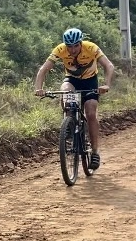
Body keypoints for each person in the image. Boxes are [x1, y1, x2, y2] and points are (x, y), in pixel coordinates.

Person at [32, 28, 116, 170]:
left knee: (90, 113)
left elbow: (109, 65)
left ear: (80, 43)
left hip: (90, 82)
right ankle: (69, 123)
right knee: (66, 92)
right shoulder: (60, 49)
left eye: (76, 45)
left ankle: (95, 151)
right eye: (69, 46)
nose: (72, 49)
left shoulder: (91, 48)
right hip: (72, 80)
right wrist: (38, 88)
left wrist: (106, 84)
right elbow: (43, 69)